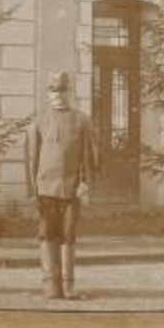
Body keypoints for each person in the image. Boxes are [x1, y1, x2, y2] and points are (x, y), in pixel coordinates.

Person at [27, 70, 100, 300]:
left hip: (71, 188)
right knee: (47, 234)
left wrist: (86, 182)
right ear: (48, 94)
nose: (58, 95)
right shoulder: (39, 121)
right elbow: (31, 157)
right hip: (45, 188)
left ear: (70, 92)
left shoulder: (82, 120)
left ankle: (68, 286)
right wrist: (33, 189)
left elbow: (92, 155)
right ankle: (50, 285)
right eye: (53, 90)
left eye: (62, 90)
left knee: (68, 234)